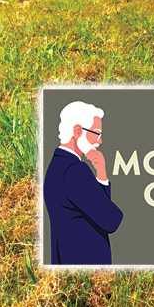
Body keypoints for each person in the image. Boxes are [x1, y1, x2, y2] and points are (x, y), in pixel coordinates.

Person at [44, 101, 123, 264]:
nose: (99, 141)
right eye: (96, 133)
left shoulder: (57, 165)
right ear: (78, 131)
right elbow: (111, 219)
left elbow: (96, 208)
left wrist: (101, 174)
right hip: (85, 261)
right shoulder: (75, 171)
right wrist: (102, 174)